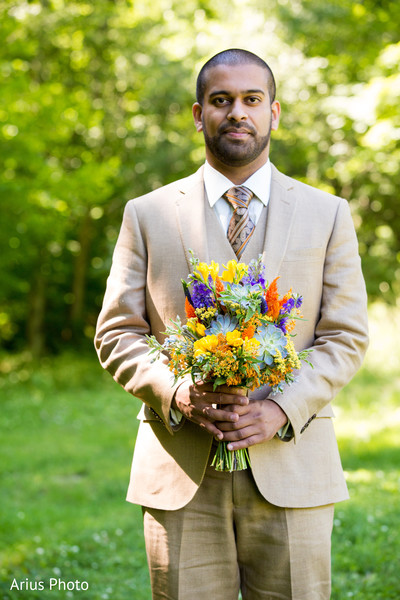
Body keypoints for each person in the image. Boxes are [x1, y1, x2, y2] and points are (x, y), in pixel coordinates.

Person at [94, 48, 368, 600]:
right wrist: (179, 394)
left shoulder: (327, 213)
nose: (236, 112)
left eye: (251, 99)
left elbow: (345, 335)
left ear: (275, 112)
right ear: (199, 114)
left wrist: (278, 410)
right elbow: (118, 332)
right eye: (221, 101)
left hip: (293, 466)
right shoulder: (147, 214)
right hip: (181, 472)